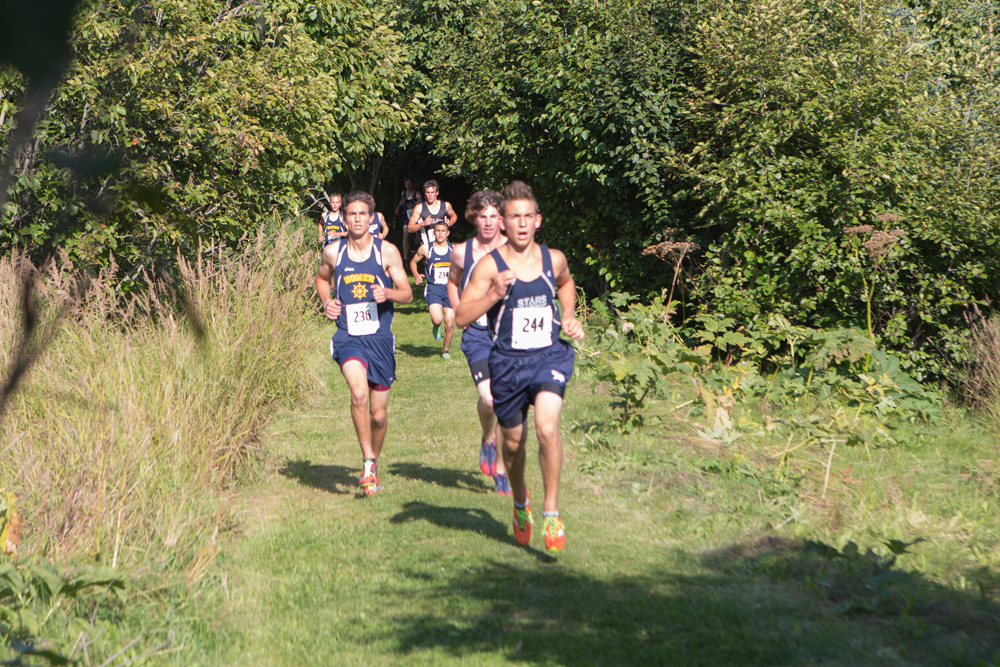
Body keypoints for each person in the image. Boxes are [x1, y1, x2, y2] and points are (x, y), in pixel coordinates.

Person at [455, 181, 585, 552]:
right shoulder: (488, 266)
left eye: (529, 216)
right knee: (512, 445)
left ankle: (551, 512)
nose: (522, 223)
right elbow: (463, 315)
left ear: (538, 220)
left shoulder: (553, 259)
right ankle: (520, 503)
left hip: (548, 357)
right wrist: (494, 293)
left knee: (547, 427)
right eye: (515, 217)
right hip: (508, 363)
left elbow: (566, 283)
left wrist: (570, 316)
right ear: (505, 224)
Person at [315, 191, 413, 495]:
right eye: (351, 214)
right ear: (344, 218)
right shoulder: (334, 252)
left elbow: (407, 293)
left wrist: (389, 295)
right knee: (359, 395)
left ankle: (375, 461)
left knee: (378, 414)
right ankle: (368, 460)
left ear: (371, 218)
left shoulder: (388, 252)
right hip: (348, 337)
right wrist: (327, 302)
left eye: (362, 214)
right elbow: (321, 279)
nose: (357, 219)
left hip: (380, 338)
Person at [447, 190, 511, 495]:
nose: (488, 222)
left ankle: (501, 469)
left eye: (493, 216)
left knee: (506, 403)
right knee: (490, 400)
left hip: (510, 335)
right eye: (482, 216)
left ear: (502, 218)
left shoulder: (515, 250)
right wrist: (462, 310)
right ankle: (488, 437)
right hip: (477, 334)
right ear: (473, 217)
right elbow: (452, 281)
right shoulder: (462, 251)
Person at [409, 221, 456, 360]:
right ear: (433, 233)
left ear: (448, 233)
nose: (440, 233)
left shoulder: (454, 250)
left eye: (443, 231)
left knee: (449, 323)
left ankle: (445, 350)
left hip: (450, 289)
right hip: (433, 288)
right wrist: (417, 275)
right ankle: (436, 326)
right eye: (437, 231)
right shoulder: (426, 249)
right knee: (437, 319)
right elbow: (413, 262)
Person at [407, 179, 457, 249]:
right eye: (428, 192)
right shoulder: (419, 208)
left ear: (437, 192)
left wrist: (451, 222)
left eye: (432, 192)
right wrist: (423, 224)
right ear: (425, 193)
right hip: (427, 245)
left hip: (443, 245)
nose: (430, 195)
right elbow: (409, 228)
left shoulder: (445, 205)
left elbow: (454, 216)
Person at [394, 175, 422, 258]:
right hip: (406, 216)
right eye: (406, 184)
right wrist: (398, 207)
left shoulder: (417, 194)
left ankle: (420, 254)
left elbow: (421, 206)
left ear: (413, 184)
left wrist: (414, 206)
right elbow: (403, 199)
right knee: (405, 235)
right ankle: (405, 258)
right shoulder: (404, 193)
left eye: (409, 184)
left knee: (418, 237)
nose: (407, 186)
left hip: (416, 216)